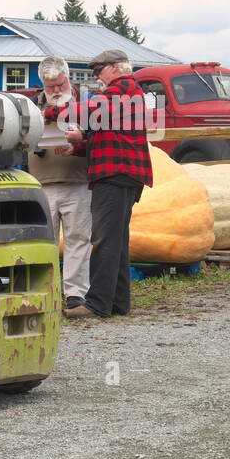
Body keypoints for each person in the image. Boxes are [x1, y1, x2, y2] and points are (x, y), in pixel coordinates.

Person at [58, 49, 153, 319]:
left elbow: (91, 112)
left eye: (98, 70)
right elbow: (109, 136)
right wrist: (78, 146)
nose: (97, 77)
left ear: (114, 68)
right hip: (124, 174)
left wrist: (53, 112)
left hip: (115, 175)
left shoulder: (121, 89)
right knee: (117, 241)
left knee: (104, 241)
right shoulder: (127, 94)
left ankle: (97, 304)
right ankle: (118, 303)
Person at [28, 56, 91, 309]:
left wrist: (80, 138)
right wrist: (35, 124)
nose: (55, 91)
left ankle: (75, 293)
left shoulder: (86, 104)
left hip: (78, 181)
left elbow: (98, 136)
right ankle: (47, 291)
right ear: (42, 83)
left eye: (59, 85)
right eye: (50, 86)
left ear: (68, 78)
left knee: (78, 239)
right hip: (41, 184)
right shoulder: (32, 105)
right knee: (44, 243)